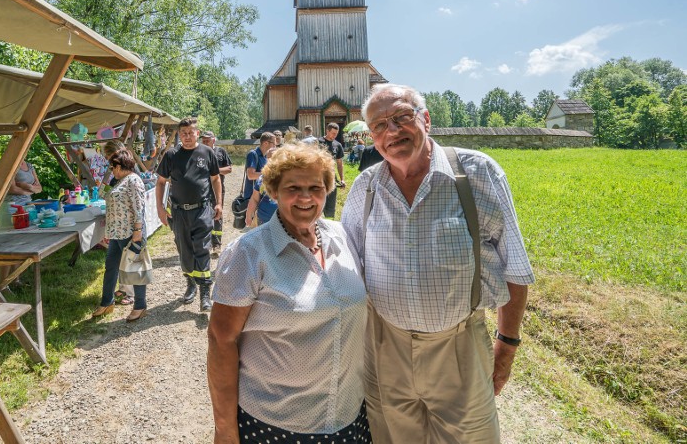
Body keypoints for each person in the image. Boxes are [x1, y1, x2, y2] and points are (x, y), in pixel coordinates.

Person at [341, 84, 535, 443]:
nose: (392, 131)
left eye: (402, 117)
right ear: (372, 138)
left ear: (425, 119)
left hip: (458, 347)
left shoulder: (476, 173)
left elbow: (515, 267)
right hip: (385, 347)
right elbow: (346, 269)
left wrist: (507, 345)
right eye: (380, 125)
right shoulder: (366, 187)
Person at [208, 144, 370, 443]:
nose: (306, 197)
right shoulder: (249, 252)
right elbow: (221, 341)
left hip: (349, 416)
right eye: (293, 187)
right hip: (276, 424)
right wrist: (225, 428)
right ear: (273, 191)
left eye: (315, 187)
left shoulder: (344, 237)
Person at [156, 117, 222, 312]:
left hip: (202, 209)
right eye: (183, 133)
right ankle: (191, 283)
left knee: (202, 248)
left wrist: (219, 203)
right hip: (178, 212)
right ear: (179, 134)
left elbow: (216, 179)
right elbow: (161, 182)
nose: (186, 136)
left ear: (197, 133)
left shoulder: (207, 152)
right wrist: (160, 208)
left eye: (190, 133)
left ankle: (205, 292)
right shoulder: (171, 155)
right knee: (184, 249)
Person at [92, 148, 148, 321]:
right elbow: (102, 193)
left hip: (131, 233)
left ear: (119, 165)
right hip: (116, 233)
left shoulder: (133, 180)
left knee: (134, 269)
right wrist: (108, 176)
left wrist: (137, 231)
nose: (111, 169)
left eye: (112, 166)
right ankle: (106, 302)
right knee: (111, 267)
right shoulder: (118, 181)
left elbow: (139, 207)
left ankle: (140, 305)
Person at [201, 130, 232, 256]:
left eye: (207, 140)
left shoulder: (221, 152)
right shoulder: (198, 152)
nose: (205, 142)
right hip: (202, 190)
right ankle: (204, 244)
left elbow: (229, 169)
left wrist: (215, 171)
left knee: (217, 215)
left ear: (214, 140)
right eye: (203, 140)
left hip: (217, 190)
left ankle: (216, 244)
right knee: (203, 216)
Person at [318, 122, 345, 218]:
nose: (335, 136)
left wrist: (342, 179)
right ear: (327, 131)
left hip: (332, 178)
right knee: (318, 203)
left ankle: (329, 223)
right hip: (319, 178)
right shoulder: (318, 142)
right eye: (333, 133)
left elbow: (339, 163)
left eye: (336, 134)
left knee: (331, 206)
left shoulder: (337, 145)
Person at [242, 132, 275, 202]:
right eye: (273, 143)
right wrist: (269, 174)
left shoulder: (266, 156)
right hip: (252, 197)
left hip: (261, 195)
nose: (275, 146)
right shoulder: (253, 154)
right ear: (266, 143)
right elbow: (251, 175)